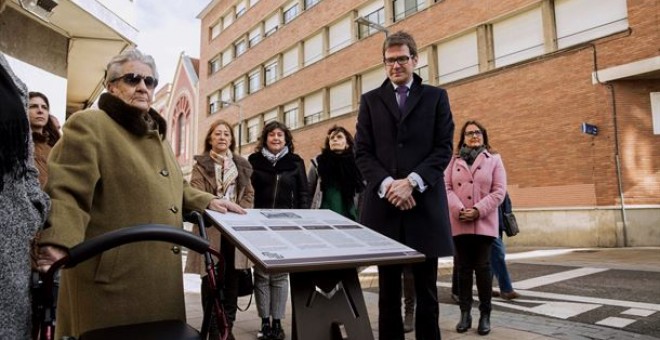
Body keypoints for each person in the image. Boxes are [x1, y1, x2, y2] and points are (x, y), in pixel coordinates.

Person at [35, 48, 246, 338]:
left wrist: (209, 200)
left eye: (150, 81)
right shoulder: (91, 124)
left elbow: (175, 188)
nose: (143, 87)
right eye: (133, 79)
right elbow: (67, 188)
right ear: (112, 86)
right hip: (112, 282)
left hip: (160, 279)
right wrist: (57, 242)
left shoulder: (156, 137)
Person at [355, 31, 455, 340]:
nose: (395, 65)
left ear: (415, 59)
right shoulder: (370, 101)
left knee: (427, 290)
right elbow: (363, 152)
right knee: (387, 290)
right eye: (389, 60)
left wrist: (411, 183)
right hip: (385, 207)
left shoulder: (436, 97)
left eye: (401, 58)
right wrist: (389, 185)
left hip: (423, 206)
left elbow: (443, 148)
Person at [0, 30, 51, 340]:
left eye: (45, 106)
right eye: (35, 106)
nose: (40, 110)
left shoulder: (9, 76)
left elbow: (28, 172)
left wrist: (34, 209)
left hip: (15, 238)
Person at [184, 119, 255, 340]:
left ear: (231, 140)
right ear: (210, 139)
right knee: (211, 281)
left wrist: (238, 214)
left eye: (226, 134)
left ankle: (228, 329)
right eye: (217, 134)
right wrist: (218, 208)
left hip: (235, 233)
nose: (222, 137)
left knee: (233, 283)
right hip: (211, 230)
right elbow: (196, 192)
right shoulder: (201, 165)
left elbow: (249, 195)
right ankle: (214, 329)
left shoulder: (242, 165)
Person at [248, 121, 309, 340]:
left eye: (280, 135)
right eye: (271, 135)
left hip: (286, 225)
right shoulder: (253, 161)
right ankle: (264, 322)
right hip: (258, 225)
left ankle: (277, 322)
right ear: (265, 139)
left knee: (281, 275)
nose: (275, 138)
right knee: (262, 274)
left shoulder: (295, 162)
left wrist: (301, 222)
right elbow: (247, 193)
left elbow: (304, 193)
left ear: (286, 140)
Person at [444, 120, 506, 335]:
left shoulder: (494, 160)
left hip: (483, 222)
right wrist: (459, 209)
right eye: (469, 133)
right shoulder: (453, 161)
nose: (474, 136)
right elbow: (446, 187)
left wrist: (478, 210)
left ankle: (485, 314)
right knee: (462, 269)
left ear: (484, 136)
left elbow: (499, 191)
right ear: (463, 138)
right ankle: (464, 313)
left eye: (478, 133)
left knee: (483, 269)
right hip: (459, 221)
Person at [308, 125, 363, 220]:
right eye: (332, 138)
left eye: (339, 137)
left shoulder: (357, 164)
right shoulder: (318, 162)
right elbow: (308, 191)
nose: (335, 139)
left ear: (347, 143)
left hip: (350, 216)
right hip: (322, 216)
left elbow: (363, 194)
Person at [491, 193, 520, 300]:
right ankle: (506, 289)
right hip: (489, 223)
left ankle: (485, 287)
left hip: (499, 222)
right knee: (498, 255)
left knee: (491, 257)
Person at [28, 91, 60, 188]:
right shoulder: (14, 146)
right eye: (33, 106)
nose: (40, 111)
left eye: (44, 107)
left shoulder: (57, 147)